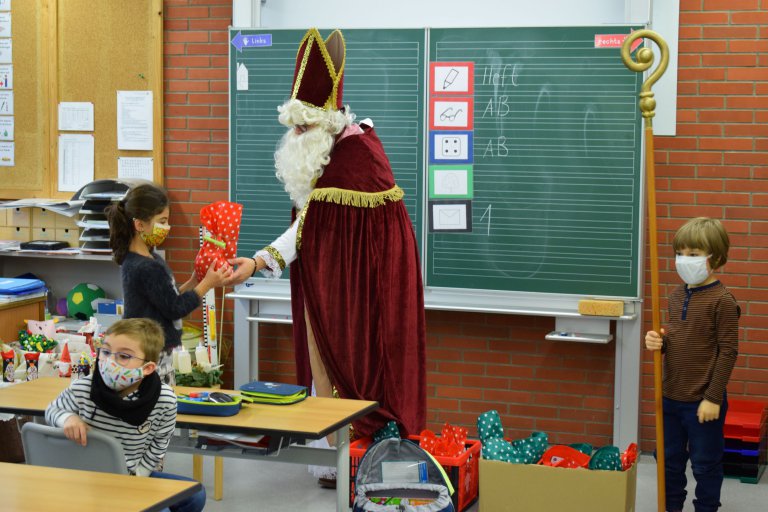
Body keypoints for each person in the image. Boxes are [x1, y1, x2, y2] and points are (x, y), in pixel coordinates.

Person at [226, 28, 426, 441]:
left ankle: (358, 454)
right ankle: (335, 456)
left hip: (359, 304)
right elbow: (308, 232)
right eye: (293, 127)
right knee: (325, 368)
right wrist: (259, 261)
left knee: (354, 371)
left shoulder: (355, 162)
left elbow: (310, 231)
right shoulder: (328, 160)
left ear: (325, 123)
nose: (294, 136)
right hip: (332, 294)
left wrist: (260, 260)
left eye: (302, 128)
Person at [46, 318, 206, 512]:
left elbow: (159, 443)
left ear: (147, 368)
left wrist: (137, 479)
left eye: (123, 356)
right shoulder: (84, 387)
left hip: (130, 475)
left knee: (195, 494)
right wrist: (68, 418)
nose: (109, 361)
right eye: (105, 352)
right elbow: (53, 409)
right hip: (85, 477)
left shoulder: (164, 399)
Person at [645, 217, 740, 512]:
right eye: (681, 253)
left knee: (705, 465)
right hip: (671, 398)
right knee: (669, 462)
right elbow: (679, 340)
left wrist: (712, 398)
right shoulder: (675, 296)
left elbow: (728, 352)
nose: (685, 260)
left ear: (716, 257)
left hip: (702, 402)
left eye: (694, 255)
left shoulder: (722, 301)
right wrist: (658, 342)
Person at [106, 183, 230, 384]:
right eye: (162, 221)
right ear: (139, 225)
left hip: (150, 349)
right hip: (151, 353)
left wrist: (192, 282)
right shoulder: (146, 266)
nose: (167, 228)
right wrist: (206, 284)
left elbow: (165, 300)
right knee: (159, 406)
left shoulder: (148, 258)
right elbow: (175, 308)